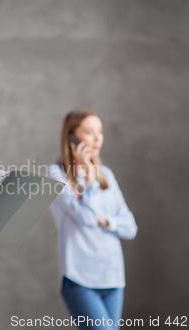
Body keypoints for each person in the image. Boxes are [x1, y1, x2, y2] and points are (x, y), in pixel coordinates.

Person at [47, 109, 137, 330]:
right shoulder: (56, 174)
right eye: (89, 132)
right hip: (79, 279)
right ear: (72, 137)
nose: (98, 139)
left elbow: (130, 228)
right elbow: (87, 218)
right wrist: (88, 176)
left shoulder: (106, 174)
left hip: (113, 277)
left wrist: (105, 221)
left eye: (100, 131)